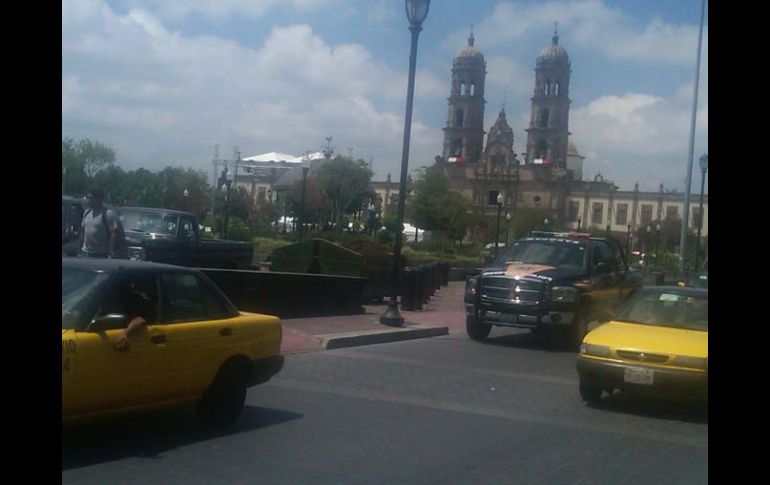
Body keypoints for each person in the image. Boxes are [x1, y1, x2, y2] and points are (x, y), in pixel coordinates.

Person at [78, 189, 121, 258]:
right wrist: (79, 251)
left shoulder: (107, 214)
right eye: (88, 198)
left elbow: (113, 233)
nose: (89, 200)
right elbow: (82, 232)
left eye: (91, 198)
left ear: (99, 199)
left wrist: (110, 253)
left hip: (100, 254)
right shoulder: (87, 213)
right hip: (85, 253)